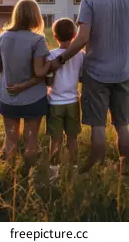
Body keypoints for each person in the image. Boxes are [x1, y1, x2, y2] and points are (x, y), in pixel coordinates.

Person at [50, 0, 129, 173]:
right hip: (123, 71)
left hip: (96, 74)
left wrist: (61, 59)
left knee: (98, 125)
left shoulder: (89, 1)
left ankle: (94, 167)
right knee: (122, 124)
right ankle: (125, 168)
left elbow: (82, 38)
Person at [0, 0, 51, 170]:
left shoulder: (2, 37)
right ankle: (29, 177)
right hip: (33, 99)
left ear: (16, 15)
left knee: (10, 138)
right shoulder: (37, 40)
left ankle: (9, 176)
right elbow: (40, 73)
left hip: (7, 98)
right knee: (31, 138)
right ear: (35, 16)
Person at [45, 18, 85, 181]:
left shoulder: (51, 55)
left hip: (55, 103)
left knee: (55, 139)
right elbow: (82, 77)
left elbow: (48, 81)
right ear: (74, 35)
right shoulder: (81, 56)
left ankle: (53, 174)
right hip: (73, 102)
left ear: (55, 36)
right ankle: (74, 170)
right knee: (73, 138)